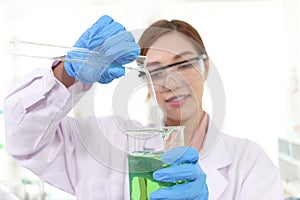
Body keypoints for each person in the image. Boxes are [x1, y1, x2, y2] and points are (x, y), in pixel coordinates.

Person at [3, 15, 284, 200]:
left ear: (205, 67)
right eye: (157, 71)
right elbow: (22, 137)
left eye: (184, 64)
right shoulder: (110, 139)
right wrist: (68, 72)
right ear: (146, 81)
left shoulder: (249, 163)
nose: (172, 82)